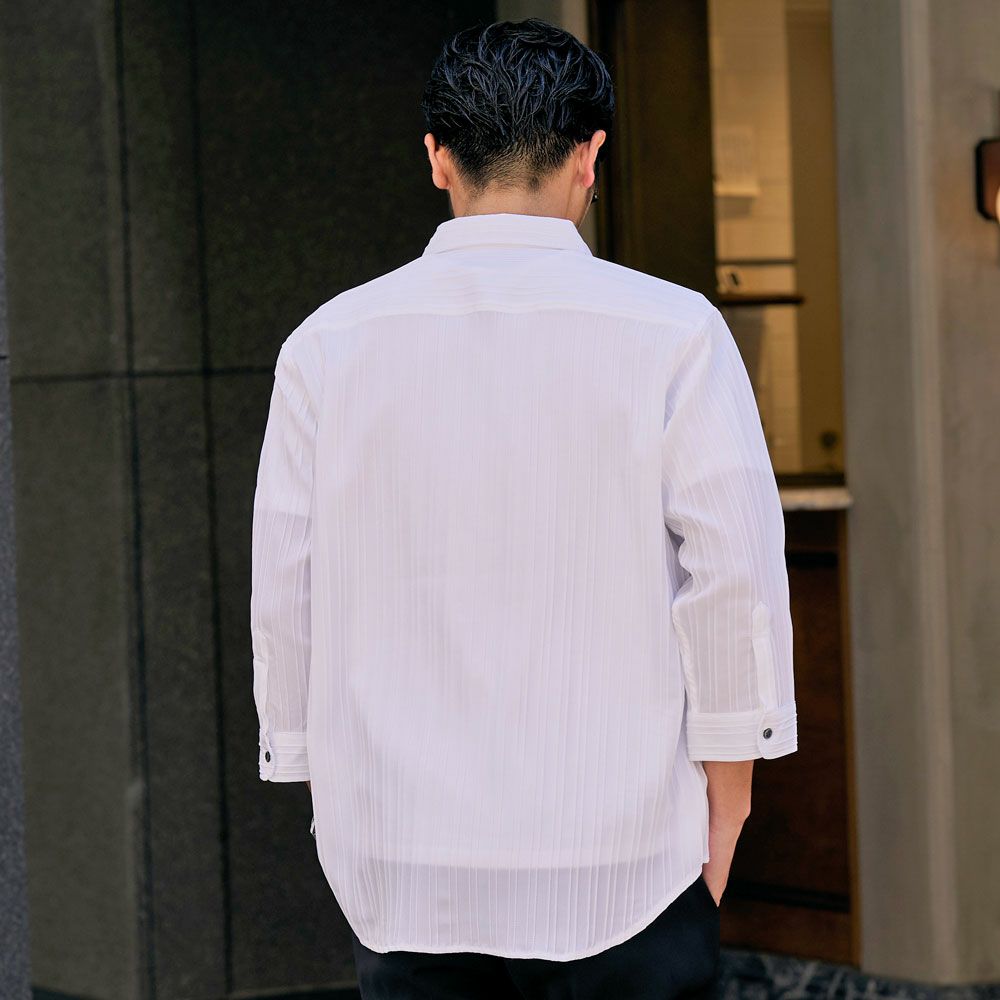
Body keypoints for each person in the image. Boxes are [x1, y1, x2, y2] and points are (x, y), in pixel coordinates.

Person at [250, 16, 798, 1000]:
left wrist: (319, 779)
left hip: (407, 859)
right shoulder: (675, 333)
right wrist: (728, 811)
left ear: (436, 157)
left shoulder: (326, 346)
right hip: (626, 858)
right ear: (590, 158)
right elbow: (734, 582)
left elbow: (287, 589)